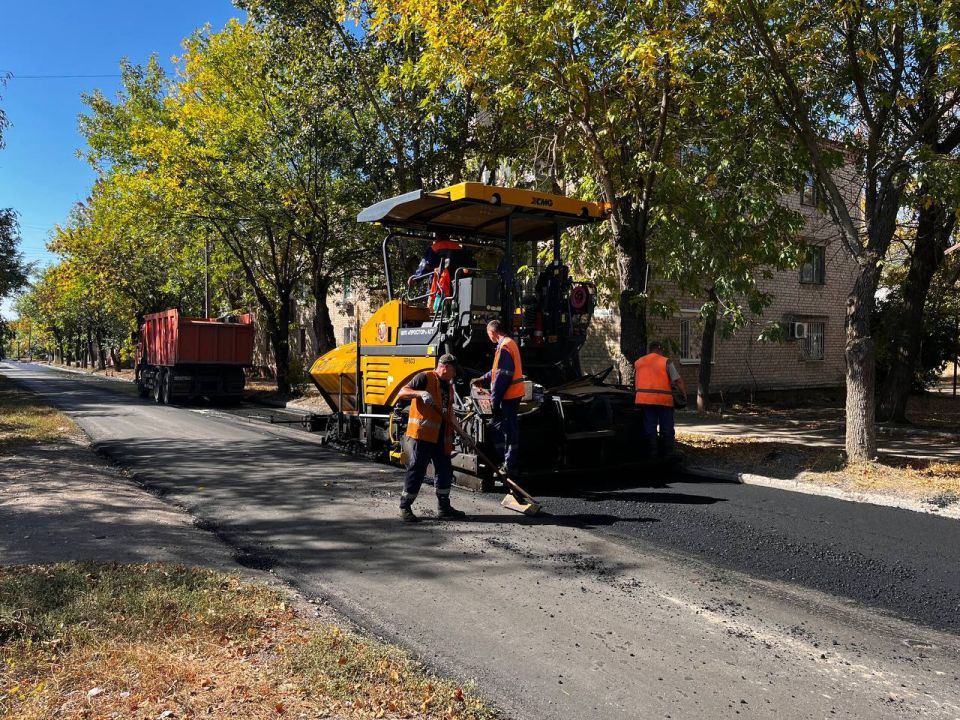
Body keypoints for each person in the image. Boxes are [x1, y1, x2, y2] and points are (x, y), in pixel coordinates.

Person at [396, 353, 467, 523]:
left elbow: (449, 414)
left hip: (441, 437)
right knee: (417, 470)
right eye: (454, 371)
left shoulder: (448, 387)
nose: (455, 375)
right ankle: (405, 507)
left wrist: (463, 434)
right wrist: (420, 393)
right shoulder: (424, 377)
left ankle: (444, 508)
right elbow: (402, 392)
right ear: (445, 367)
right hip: (423, 436)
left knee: (444, 470)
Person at [471, 319, 524, 478]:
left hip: (508, 396)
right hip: (512, 394)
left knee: (507, 430)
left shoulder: (504, 347)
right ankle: (505, 462)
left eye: (489, 335)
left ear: (492, 332)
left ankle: (509, 465)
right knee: (499, 427)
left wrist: (494, 401)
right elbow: (497, 372)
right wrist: (483, 378)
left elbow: (502, 377)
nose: (489, 338)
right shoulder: (509, 343)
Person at [633, 341, 687, 459]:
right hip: (663, 400)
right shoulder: (665, 361)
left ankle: (652, 453)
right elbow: (677, 380)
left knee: (650, 425)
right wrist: (684, 394)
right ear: (659, 349)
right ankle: (667, 452)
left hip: (644, 399)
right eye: (662, 350)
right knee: (666, 425)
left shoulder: (638, 362)